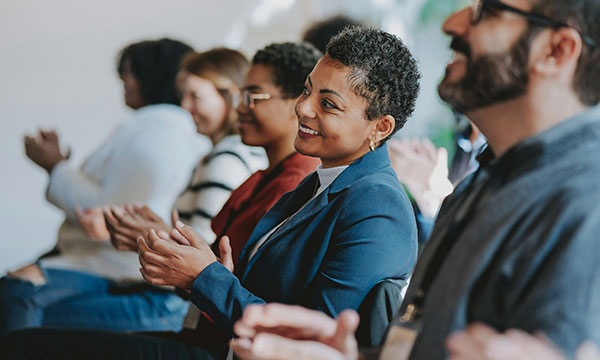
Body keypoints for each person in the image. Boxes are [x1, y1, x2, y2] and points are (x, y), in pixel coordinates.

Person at [0, 27, 422, 359]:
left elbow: (315, 340)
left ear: (380, 127)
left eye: (328, 104)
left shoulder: (376, 204)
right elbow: (255, 289)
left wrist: (204, 277)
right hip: (214, 343)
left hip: (221, 350)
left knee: (26, 341)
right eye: (307, 90)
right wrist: (191, 269)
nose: (303, 108)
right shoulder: (320, 181)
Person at [227, 0, 600, 358]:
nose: (451, 23)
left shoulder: (585, 202)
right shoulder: (481, 182)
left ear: (557, 50)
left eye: (486, 11)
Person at [0, 38, 210, 336]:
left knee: (19, 293)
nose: (124, 81)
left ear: (151, 77)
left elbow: (115, 212)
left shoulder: (156, 131)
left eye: (129, 72)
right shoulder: (169, 130)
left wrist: (56, 167)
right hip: (117, 264)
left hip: (116, 266)